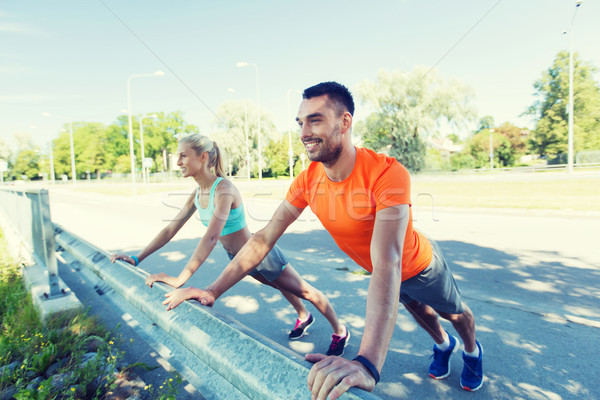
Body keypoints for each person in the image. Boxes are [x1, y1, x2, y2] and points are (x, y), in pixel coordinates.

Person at [110, 134, 349, 356]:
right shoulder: (197, 193)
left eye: (183, 155)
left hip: (259, 255)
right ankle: (303, 315)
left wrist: (180, 279)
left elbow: (211, 237)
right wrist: (137, 258)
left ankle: (340, 330)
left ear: (203, 157)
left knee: (305, 290)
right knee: (280, 285)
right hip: (237, 259)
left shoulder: (223, 190)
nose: (178, 161)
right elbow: (170, 229)